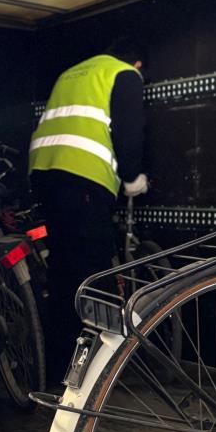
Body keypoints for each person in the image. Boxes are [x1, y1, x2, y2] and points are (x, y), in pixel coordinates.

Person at [30, 39, 148, 380]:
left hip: (46, 175)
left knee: (63, 268)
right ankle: (103, 369)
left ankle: (60, 366)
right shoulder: (124, 74)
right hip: (84, 177)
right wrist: (131, 177)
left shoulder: (72, 73)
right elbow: (128, 131)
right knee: (95, 271)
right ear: (137, 64)